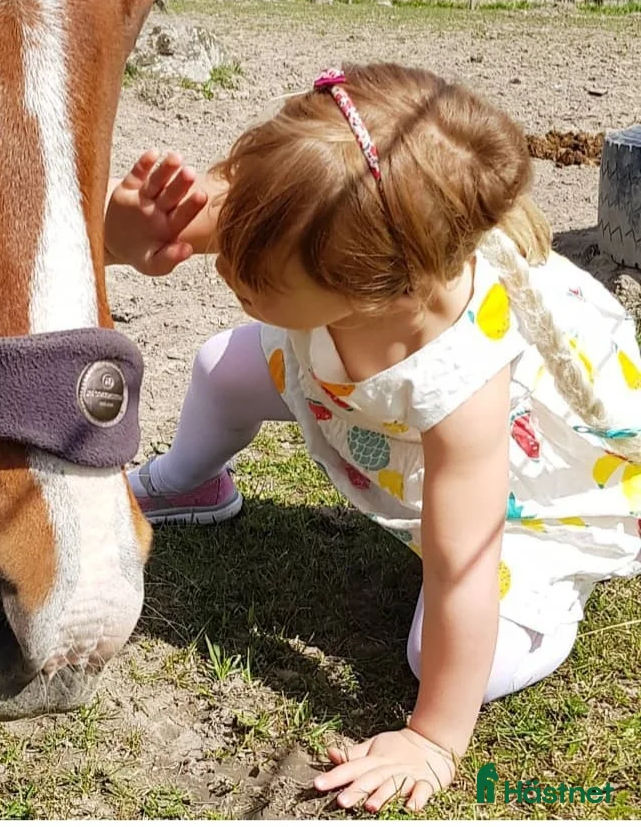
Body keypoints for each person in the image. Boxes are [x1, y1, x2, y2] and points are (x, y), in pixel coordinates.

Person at [104, 63, 641, 814]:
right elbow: (187, 236)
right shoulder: (299, 209)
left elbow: (461, 567)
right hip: (345, 382)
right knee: (222, 367)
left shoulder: (465, 383)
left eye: (254, 273)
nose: (225, 264)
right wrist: (122, 239)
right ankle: (189, 481)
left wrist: (433, 739)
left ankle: (553, 599)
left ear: (374, 290)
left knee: (448, 655)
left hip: (521, 488)